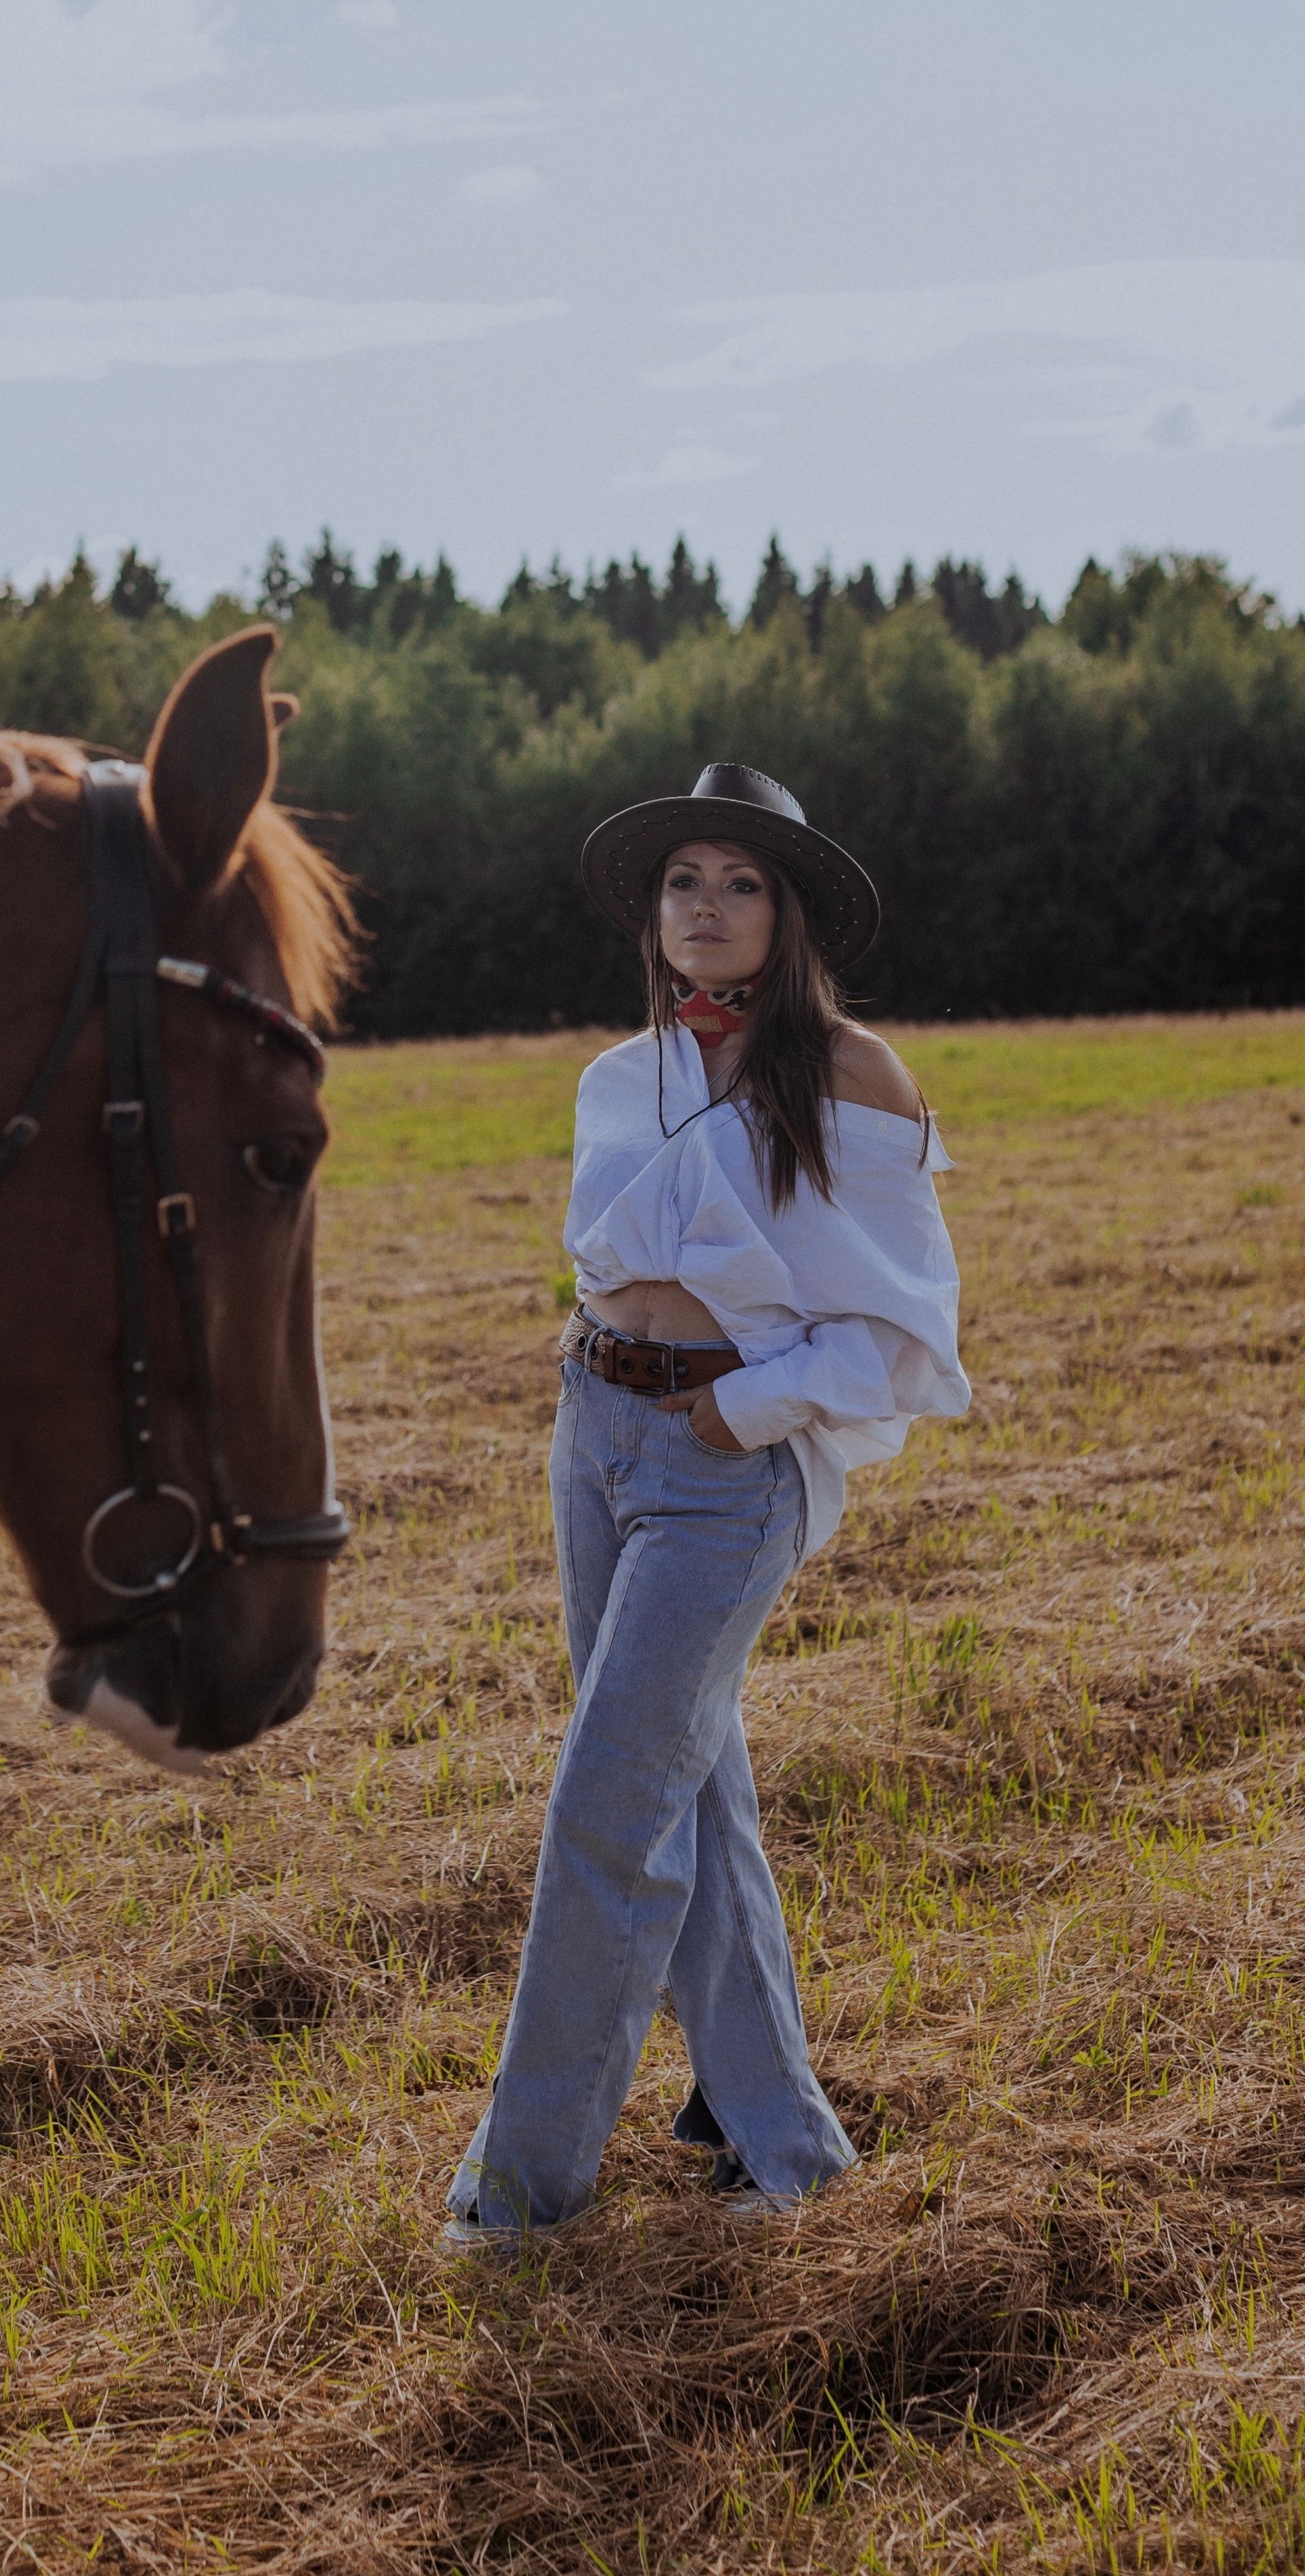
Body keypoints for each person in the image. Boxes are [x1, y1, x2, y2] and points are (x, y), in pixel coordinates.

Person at [444, 762, 969, 2248]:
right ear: (655, 911)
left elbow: (905, 1324)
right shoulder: (622, 1078)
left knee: (608, 1804)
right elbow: (609, 1261)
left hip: (728, 1470)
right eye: (687, 881)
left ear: (789, 910)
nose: (711, 907)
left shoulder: (854, 1078)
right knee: (689, 1786)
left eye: (743, 883)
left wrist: (739, 1409)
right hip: (594, 1434)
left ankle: (519, 2194)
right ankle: (784, 2144)